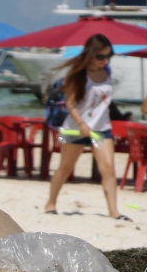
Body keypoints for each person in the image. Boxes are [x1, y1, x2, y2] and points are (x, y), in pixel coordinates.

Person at [43, 34, 125, 220]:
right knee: (65, 167)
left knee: (109, 169)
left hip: (102, 128)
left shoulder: (108, 72)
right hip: (74, 128)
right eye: (100, 57)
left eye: (108, 56)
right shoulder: (77, 74)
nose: (104, 61)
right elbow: (70, 104)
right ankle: (51, 203)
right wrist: (82, 124)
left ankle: (114, 211)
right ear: (90, 54)